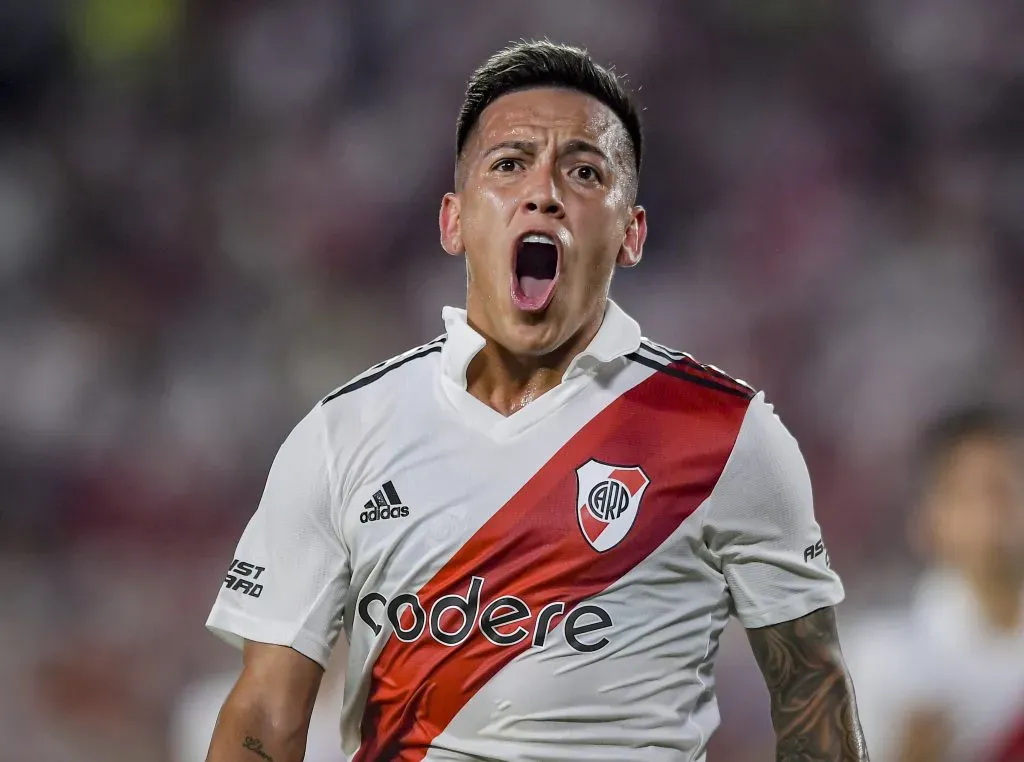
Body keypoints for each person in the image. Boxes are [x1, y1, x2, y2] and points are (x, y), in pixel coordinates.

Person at [203, 39, 868, 761]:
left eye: (584, 171)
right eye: (510, 163)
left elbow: (813, 696)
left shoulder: (729, 438)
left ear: (631, 233)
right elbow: (265, 715)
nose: (544, 190)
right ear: (453, 222)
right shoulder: (343, 433)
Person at [845, 405, 1024, 762]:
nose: (1007, 508)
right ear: (930, 521)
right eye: (986, 490)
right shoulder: (883, 663)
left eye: (1016, 483)